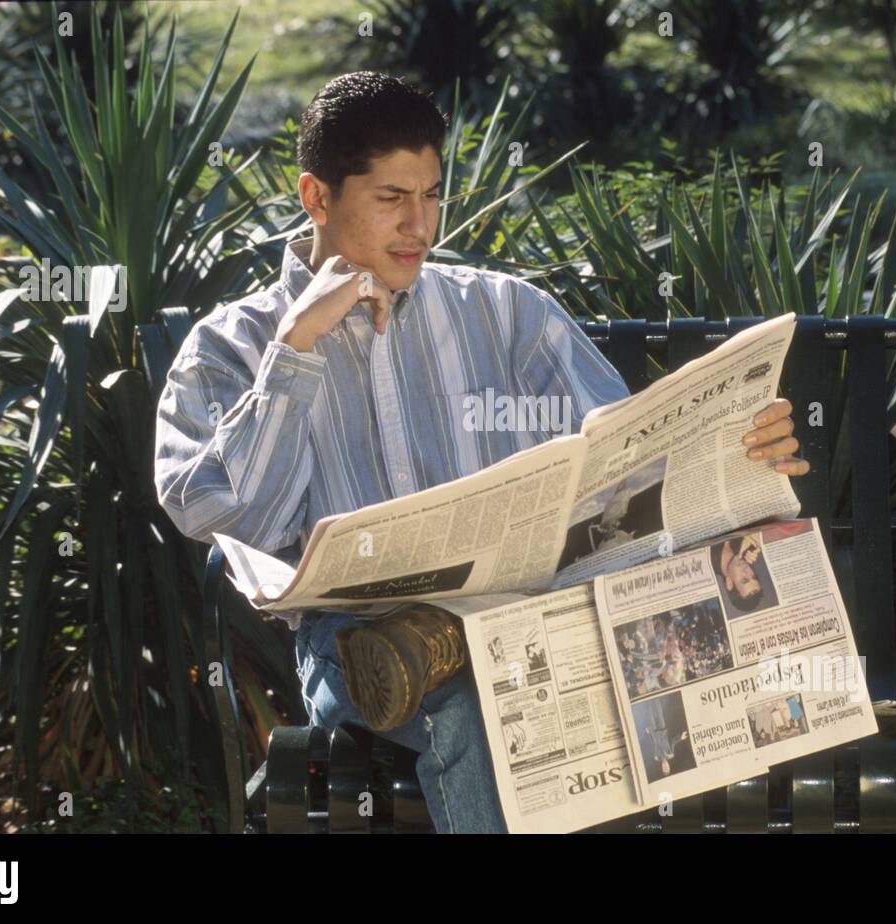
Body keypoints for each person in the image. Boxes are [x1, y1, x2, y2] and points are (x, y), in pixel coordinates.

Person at [153, 71, 810, 833]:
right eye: (392, 197)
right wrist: (296, 350)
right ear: (317, 197)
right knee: (471, 702)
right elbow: (221, 514)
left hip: (533, 615)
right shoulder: (232, 346)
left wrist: (735, 450)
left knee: (653, 655)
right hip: (362, 645)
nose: (419, 224)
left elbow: (631, 461)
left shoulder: (506, 314)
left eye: (432, 195)